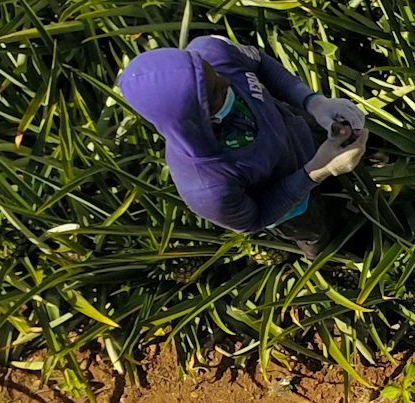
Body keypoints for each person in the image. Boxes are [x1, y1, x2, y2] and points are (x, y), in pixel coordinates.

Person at [117, 36, 368, 258]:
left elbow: (259, 62)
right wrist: (318, 172)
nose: (226, 82)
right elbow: (257, 218)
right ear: (193, 119)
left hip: (300, 134)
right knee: (321, 234)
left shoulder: (213, 51)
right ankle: (344, 255)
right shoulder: (207, 186)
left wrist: (313, 102)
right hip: (295, 208)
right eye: (214, 93)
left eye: (212, 71)